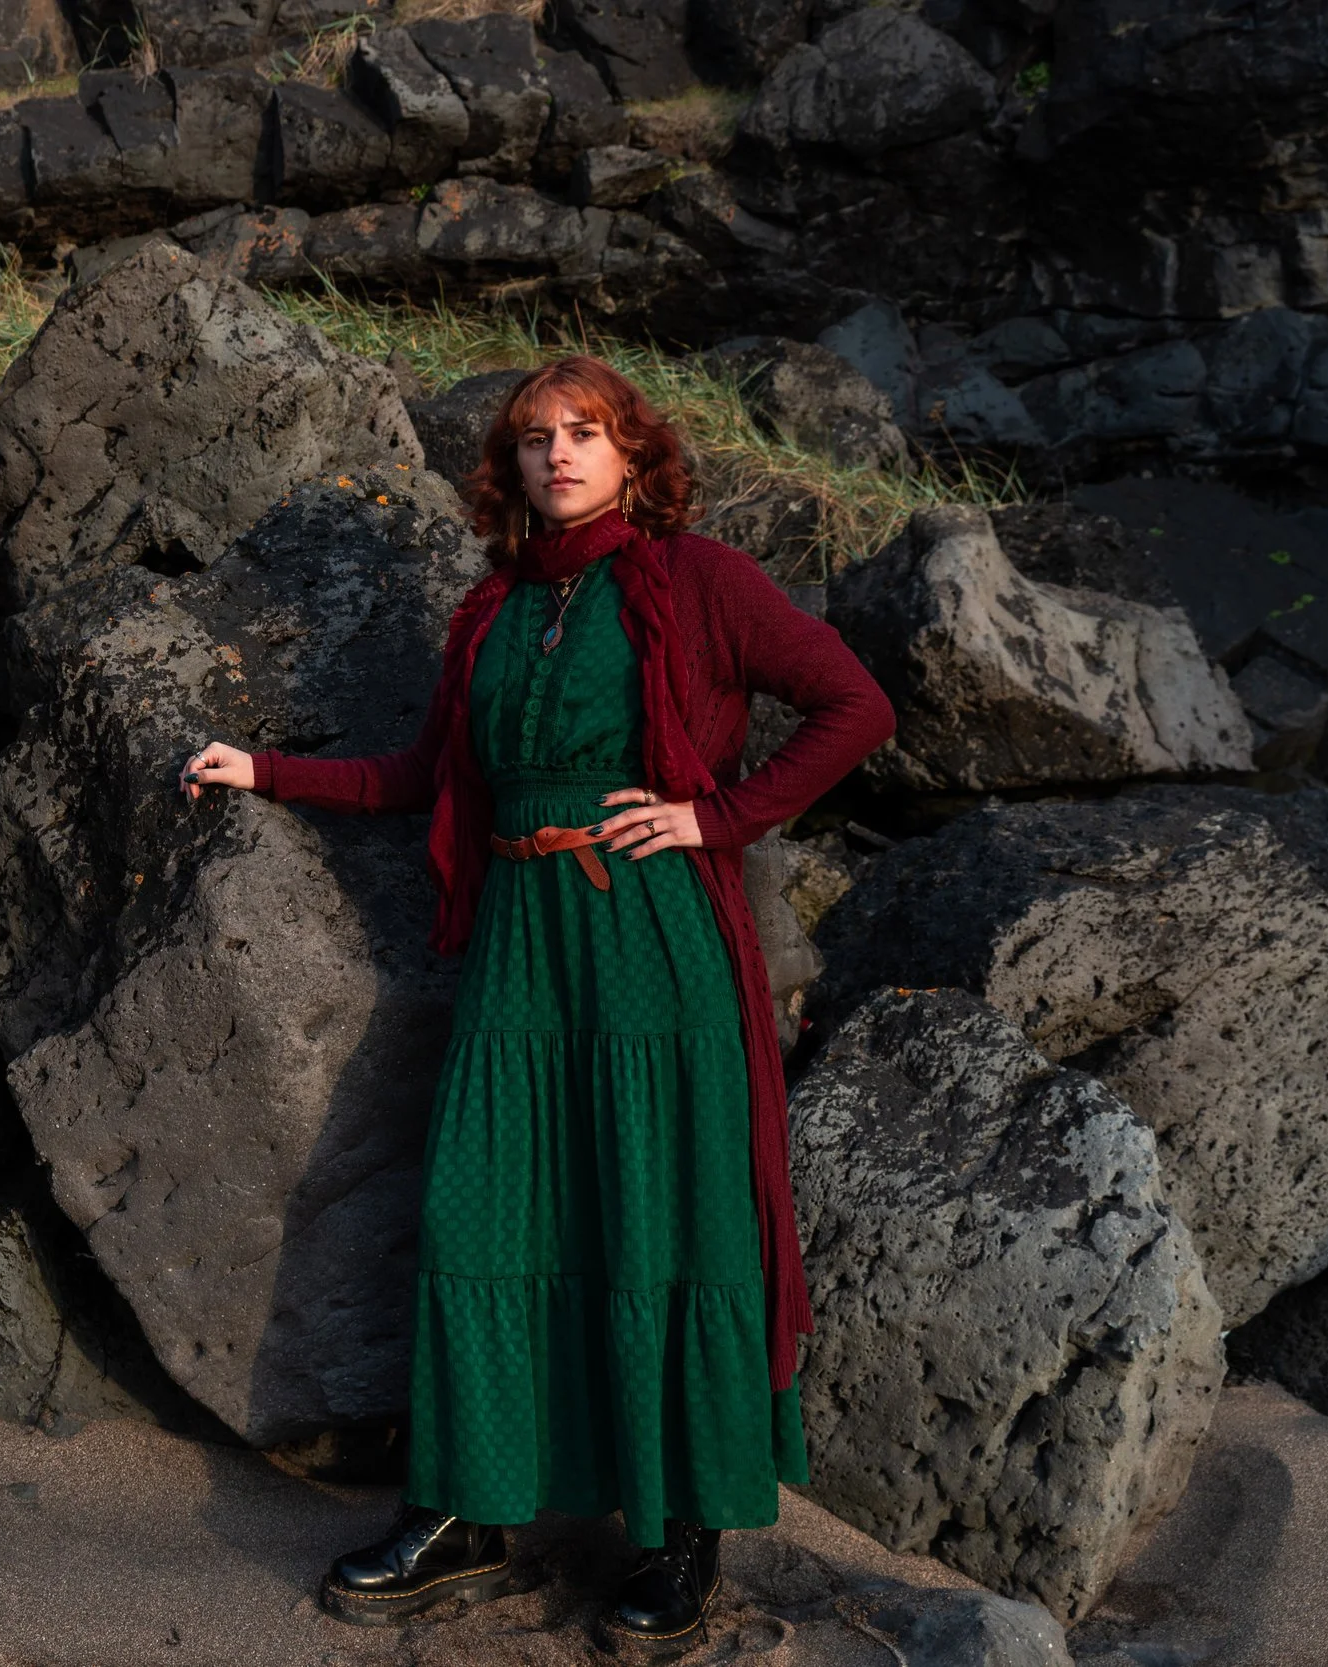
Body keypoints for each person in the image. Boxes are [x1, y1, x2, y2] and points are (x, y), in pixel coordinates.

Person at [179, 356, 893, 1646]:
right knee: (484, 1211)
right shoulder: (494, 609)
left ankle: (681, 1529)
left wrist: (712, 816)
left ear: (634, 454)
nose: (557, 454)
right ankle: (469, 1512)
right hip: (516, 949)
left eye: (587, 432)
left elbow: (855, 704)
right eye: (532, 438)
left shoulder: (701, 582)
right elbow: (426, 779)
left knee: (662, 1221)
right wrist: (266, 769)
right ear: (505, 467)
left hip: (651, 947)